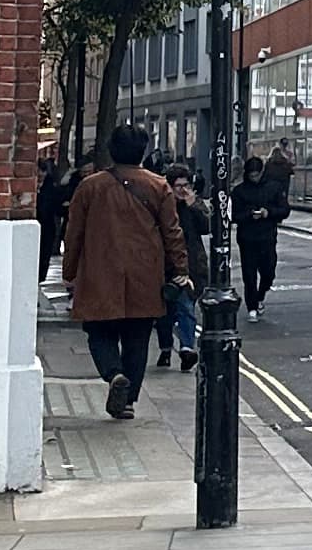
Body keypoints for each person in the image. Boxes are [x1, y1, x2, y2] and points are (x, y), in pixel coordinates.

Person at [61, 124, 188, 421]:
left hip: (99, 272)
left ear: (111, 150)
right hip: (145, 273)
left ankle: (114, 374)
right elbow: (172, 233)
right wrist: (180, 269)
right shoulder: (159, 186)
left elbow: (74, 232)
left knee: (98, 331)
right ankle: (128, 400)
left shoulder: (90, 186)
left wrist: (69, 271)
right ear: (142, 151)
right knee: (138, 338)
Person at [160, 166, 206, 370]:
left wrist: (193, 205)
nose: (182, 190)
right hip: (165, 265)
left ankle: (187, 348)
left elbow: (207, 227)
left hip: (191, 265)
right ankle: (165, 348)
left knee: (186, 306)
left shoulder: (193, 204)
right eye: (177, 186)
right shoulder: (163, 205)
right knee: (165, 312)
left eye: (185, 185)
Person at [231, 153, 287, 318]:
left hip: (267, 236)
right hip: (247, 238)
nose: (254, 178)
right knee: (249, 274)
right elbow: (233, 215)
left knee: (268, 271)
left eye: (256, 175)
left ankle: (261, 294)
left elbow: (284, 210)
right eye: (251, 175)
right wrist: (249, 215)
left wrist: (268, 213)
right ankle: (252, 306)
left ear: (262, 172)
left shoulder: (274, 188)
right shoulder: (239, 191)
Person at [35, 144, 68, 286]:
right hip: (42, 223)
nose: (40, 176)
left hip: (47, 226)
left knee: (44, 255)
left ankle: (40, 278)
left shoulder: (50, 186)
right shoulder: (47, 186)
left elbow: (56, 204)